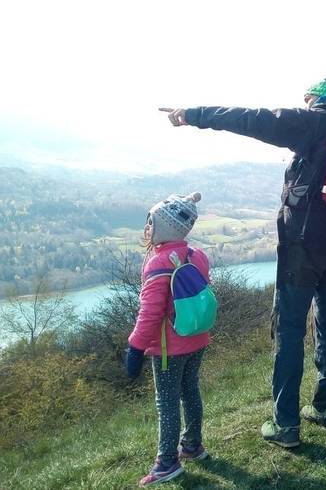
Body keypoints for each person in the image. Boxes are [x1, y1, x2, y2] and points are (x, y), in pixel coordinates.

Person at [160, 78, 326, 449]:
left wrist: (195, 115)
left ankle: (286, 425)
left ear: (319, 100)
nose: (307, 104)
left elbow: (255, 120)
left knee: (289, 330)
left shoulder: (318, 122)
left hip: (303, 245)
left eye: (309, 99)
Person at [126, 192, 210, 487]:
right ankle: (192, 445)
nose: (147, 227)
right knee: (191, 392)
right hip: (197, 340)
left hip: (167, 348)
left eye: (151, 222)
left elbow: (149, 314)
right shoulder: (197, 256)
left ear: (162, 227)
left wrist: (135, 347)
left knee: (167, 403)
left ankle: (167, 463)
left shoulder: (158, 263)